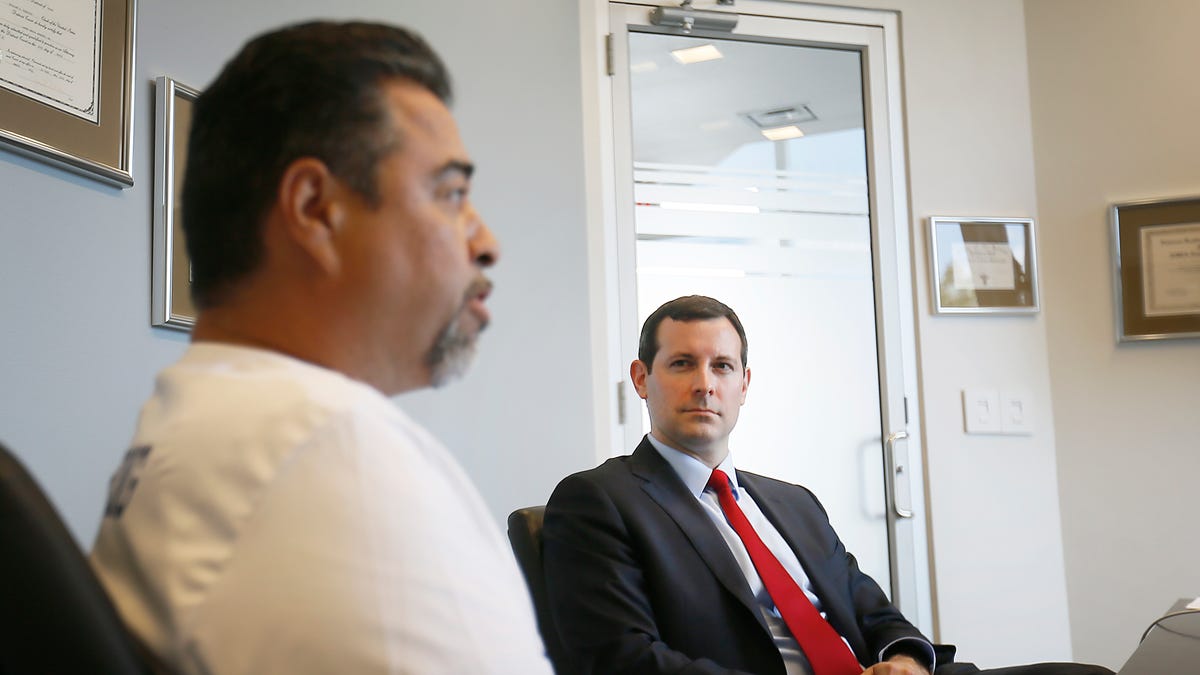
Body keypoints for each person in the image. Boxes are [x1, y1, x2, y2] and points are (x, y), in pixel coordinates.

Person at [90, 21, 552, 675]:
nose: (486, 242)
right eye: (451, 194)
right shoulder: (333, 447)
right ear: (314, 208)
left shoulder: (195, 421)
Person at [542, 295, 1111, 675]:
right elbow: (623, 661)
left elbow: (874, 612)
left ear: (745, 383)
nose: (704, 385)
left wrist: (907, 659)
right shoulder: (601, 500)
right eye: (682, 364)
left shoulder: (793, 502)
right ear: (642, 379)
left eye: (721, 367)